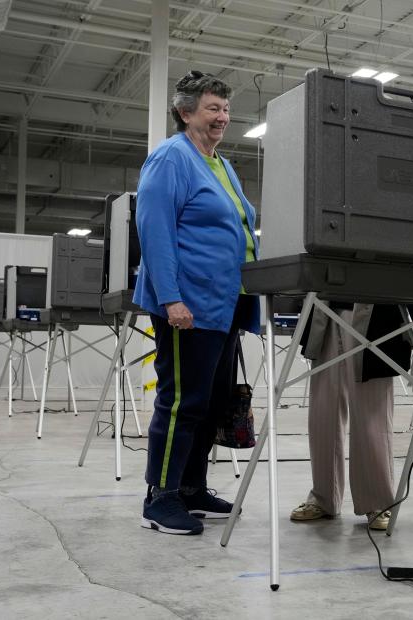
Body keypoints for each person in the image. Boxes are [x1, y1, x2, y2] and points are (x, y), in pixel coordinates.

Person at [135, 70, 260, 535]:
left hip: (225, 303)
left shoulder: (221, 164)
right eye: (213, 109)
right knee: (182, 401)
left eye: (226, 109)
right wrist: (171, 298)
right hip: (188, 304)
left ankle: (192, 489)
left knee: (211, 403)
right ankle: (161, 496)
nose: (222, 117)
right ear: (186, 113)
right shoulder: (171, 158)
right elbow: (156, 231)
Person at [290, 304, 413, 530]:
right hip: (327, 306)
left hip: (377, 311)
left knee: (372, 418)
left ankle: (378, 502)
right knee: (323, 412)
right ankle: (324, 498)